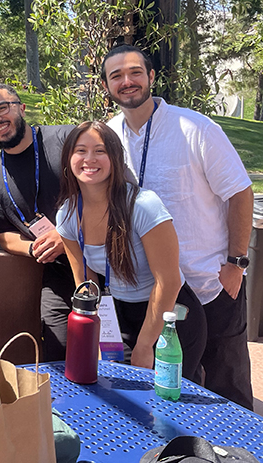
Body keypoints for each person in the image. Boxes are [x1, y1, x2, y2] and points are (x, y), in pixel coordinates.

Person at [102, 44, 254, 410]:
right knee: (172, 393)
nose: (127, 81)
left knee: (226, 388)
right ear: (106, 85)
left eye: (135, 72)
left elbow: (240, 192)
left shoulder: (196, 128)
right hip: (153, 293)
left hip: (209, 282)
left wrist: (236, 262)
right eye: (116, 76)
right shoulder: (108, 137)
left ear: (152, 77)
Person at [56, 121, 206, 379]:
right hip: (119, 315)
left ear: (115, 158)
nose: (89, 159)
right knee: (123, 400)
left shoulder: (143, 205)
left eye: (100, 151)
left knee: (168, 403)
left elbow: (168, 282)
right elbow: (85, 284)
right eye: (80, 150)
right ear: (68, 158)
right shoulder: (67, 216)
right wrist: (96, 335)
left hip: (170, 317)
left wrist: (146, 344)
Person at [0, 82, 75, 361]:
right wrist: (34, 248)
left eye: (1, 108)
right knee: (61, 359)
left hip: (108, 271)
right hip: (58, 280)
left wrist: (66, 235)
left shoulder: (66, 140)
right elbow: (2, 234)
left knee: (122, 362)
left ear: (21, 107)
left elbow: (107, 193)